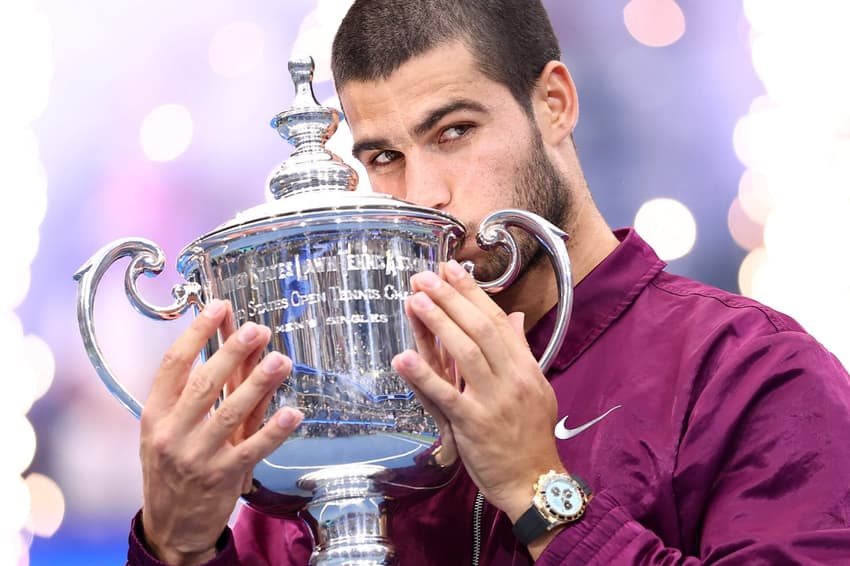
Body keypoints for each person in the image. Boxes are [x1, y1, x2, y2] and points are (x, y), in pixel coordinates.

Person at [127, 1, 850, 564]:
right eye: (382, 156)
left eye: (454, 132)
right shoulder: (352, 412)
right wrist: (177, 545)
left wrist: (540, 495)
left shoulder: (751, 371)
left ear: (555, 104)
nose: (424, 194)